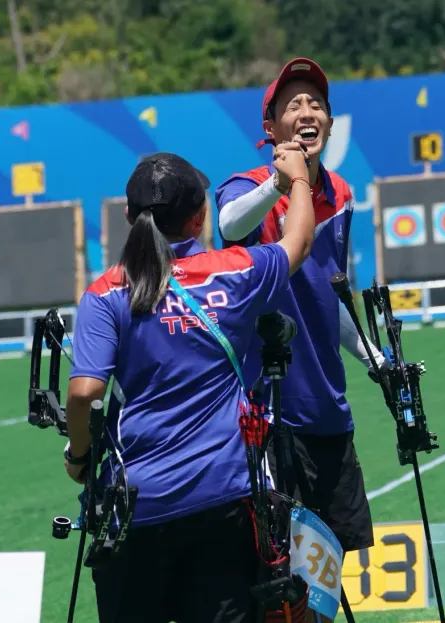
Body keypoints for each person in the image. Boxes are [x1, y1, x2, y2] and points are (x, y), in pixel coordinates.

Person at [63, 149, 315, 623]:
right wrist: (295, 180)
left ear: (128, 217)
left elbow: (83, 393)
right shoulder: (234, 271)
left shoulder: (106, 293)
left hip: (137, 506)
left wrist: (79, 457)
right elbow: (297, 243)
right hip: (222, 499)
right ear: (200, 218)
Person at [213, 58, 382, 569]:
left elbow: (333, 293)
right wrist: (281, 185)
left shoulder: (343, 193)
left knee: (330, 570)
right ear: (270, 129)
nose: (308, 112)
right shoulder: (246, 186)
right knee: (274, 571)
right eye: (294, 105)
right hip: (267, 412)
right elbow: (229, 223)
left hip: (329, 408)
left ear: (329, 122)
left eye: (316, 104)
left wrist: (371, 354)